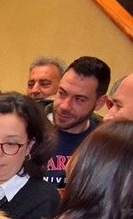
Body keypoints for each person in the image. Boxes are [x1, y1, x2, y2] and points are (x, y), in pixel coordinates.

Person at [45, 56, 110, 190]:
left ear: (99, 102)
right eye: (62, 93)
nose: (64, 106)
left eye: (79, 99)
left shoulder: (105, 147)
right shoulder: (28, 130)